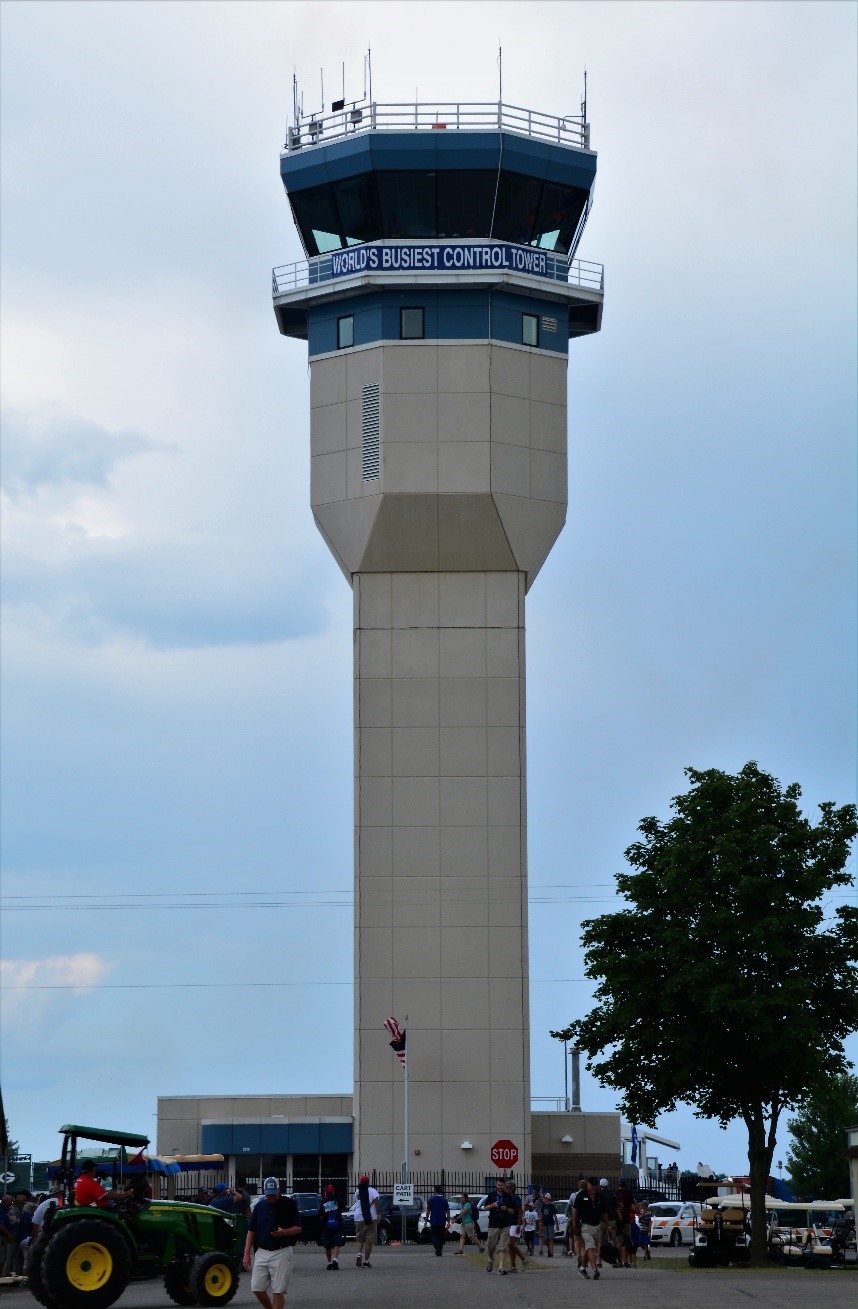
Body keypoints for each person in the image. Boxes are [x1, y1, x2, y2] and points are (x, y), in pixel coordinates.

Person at [242, 1176, 301, 1309]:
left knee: (278, 1290)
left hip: (281, 1251)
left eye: (274, 1194)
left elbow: (298, 1227)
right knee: (257, 1287)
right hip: (262, 1251)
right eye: (268, 1195)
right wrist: (246, 1254)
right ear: (264, 1192)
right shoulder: (259, 1207)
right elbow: (251, 1231)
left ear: (279, 1189)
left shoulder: (290, 1204)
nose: (271, 1197)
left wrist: (284, 1232)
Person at [573, 1176, 606, 1280]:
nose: (593, 1188)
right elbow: (575, 1211)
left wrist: (608, 1225)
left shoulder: (599, 1197)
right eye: (592, 1185)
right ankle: (595, 1270)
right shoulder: (582, 1195)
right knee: (591, 1247)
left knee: (589, 1249)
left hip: (596, 1226)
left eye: (595, 1185)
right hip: (585, 1225)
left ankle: (582, 1268)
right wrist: (575, 1225)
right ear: (587, 1184)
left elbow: (604, 1212)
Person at [350, 1175, 381, 1268]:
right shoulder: (373, 1191)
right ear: (368, 1182)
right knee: (369, 1240)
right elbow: (376, 1203)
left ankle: (359, 1254)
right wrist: (379, 1213)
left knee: (360, 1239)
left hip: (358, 1216)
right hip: (370, 1217)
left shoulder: (357, 1192)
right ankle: (366, 1261)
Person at [484, 1178, 512, 1273]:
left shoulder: (508, 1196)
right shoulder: (491, 1195)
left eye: (502, 1185)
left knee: (503, 1246)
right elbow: (485, 1208)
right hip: (493, 1224)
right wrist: (492, 1205)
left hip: (505, 1224)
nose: (500, 1187)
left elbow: (513, 1211)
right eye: (499, 1185)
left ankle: (500, 1267)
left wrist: (506, 1208)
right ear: (496, 1185)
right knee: (490, 1246)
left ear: (504, 1186)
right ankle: (491, 1259)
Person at [318, 1185, 343, 1270]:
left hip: (327, 1227)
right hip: (337, 1225)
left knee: (327, 1245)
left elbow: (320, 1215)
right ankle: (335, 1259)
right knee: (336, 1243)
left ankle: (329, 1263)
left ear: (326, 1192)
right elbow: (343, 1208)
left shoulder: (324, 1202)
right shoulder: (338, 1200)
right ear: (333, 1192)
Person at [502, 1180, 525, 1274]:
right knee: (511, 1246)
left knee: (510, 1244)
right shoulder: (507, 1198)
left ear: (512, 1189)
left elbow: (520, 1211)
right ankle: (513, 1266)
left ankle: (523, 1259)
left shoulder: (515, 1198)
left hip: (515, 1223)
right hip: (509, 1222)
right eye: (506, 1187)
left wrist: (519, 1224)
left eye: (508, 1188)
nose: (506, 1189)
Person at [425, 1184, 450, 1257]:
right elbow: (447, 1211)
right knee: (441, 1236)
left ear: (435, 1190)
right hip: (442, 1220)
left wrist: (426, 1220)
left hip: (434, 1220)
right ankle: (440, 1250)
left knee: (434, 1235)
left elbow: (428, 1210)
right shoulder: (444, 1200)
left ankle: (437, 1246)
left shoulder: (432, 1199)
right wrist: (448, 1221)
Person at [540, 1191, 557, 1257]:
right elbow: (541, 1215)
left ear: (547, 1198)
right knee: (545, 1238)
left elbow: (555, 1216)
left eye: (544, 1198)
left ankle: (551, 1252)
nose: (544, 1199)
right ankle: (549, 1249)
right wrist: (541, 1223)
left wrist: (557, 1224)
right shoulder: (543, 1206)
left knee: (551, 1238)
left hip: (550, 1223)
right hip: (545, 1223)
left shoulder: (552, 1206)